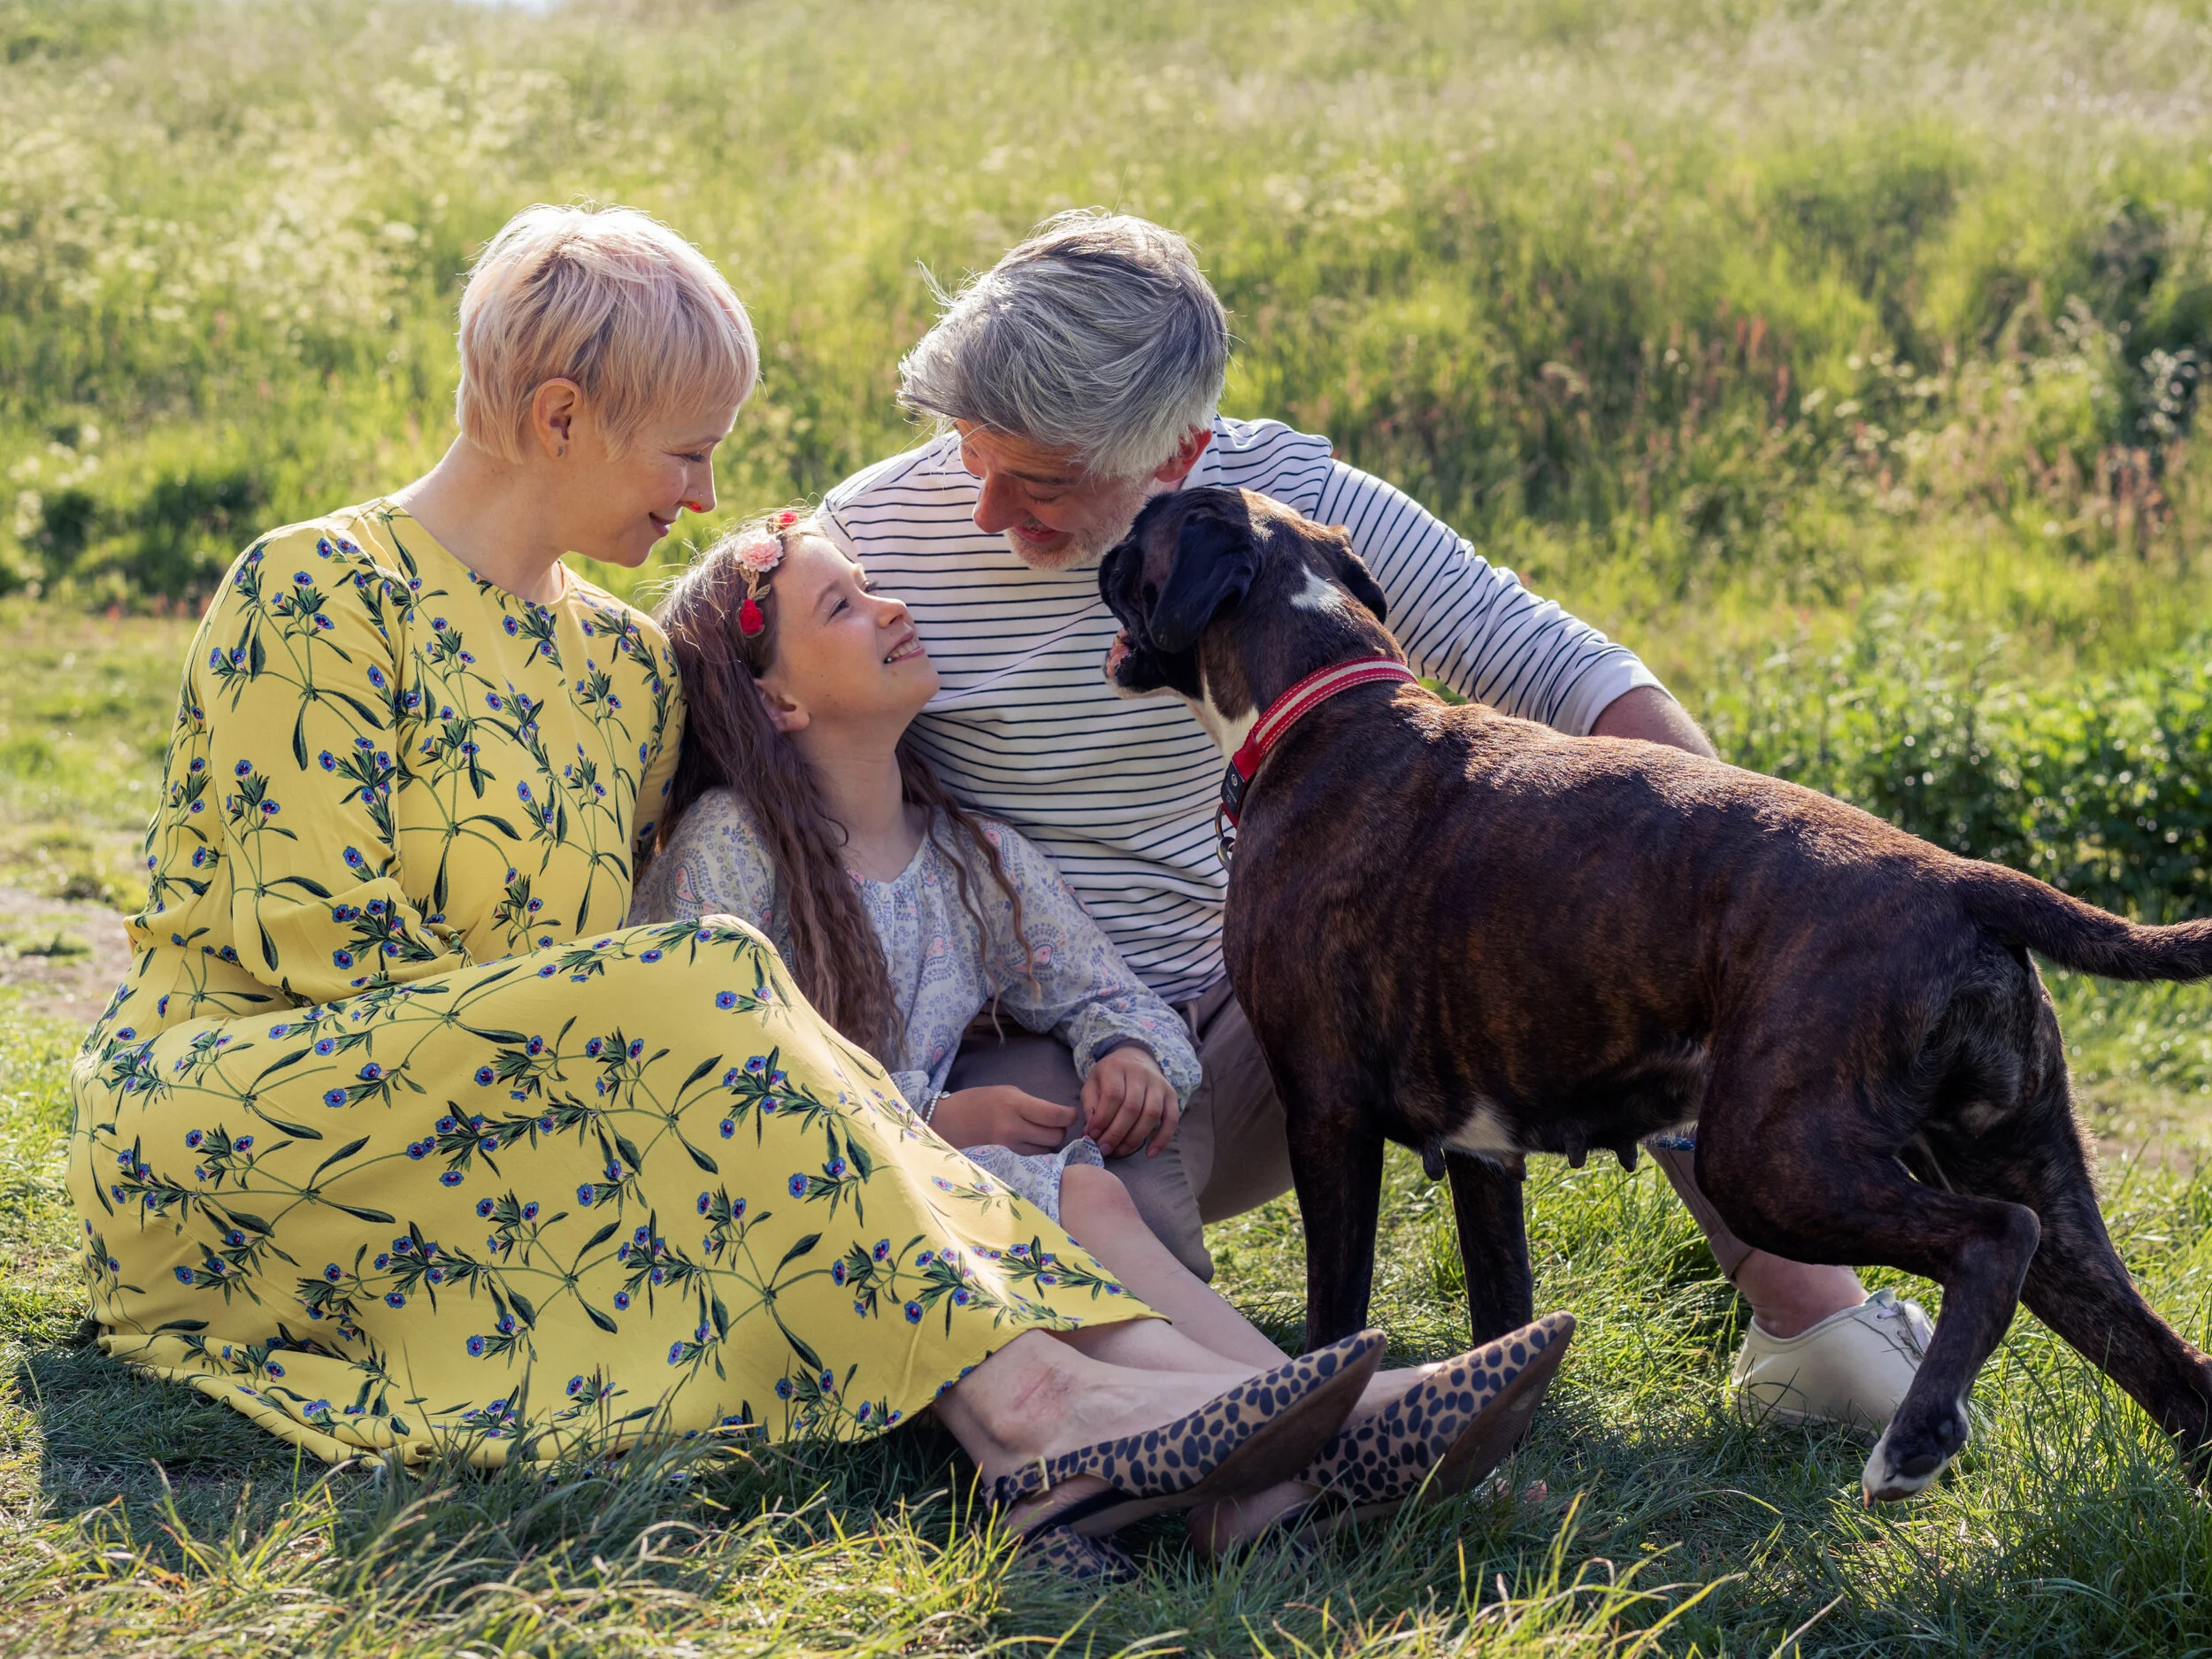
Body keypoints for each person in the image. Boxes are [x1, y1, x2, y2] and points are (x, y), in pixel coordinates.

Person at [61, 203, 1418, 1583]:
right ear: (560, 414)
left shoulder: (625, 670)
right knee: (708, 980)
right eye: (690, 451)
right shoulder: (315, 591)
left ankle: (1241, 1419)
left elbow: (795, 819)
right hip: (254, 1125)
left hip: (534, 1126)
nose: (708, 498)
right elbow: (325, 953)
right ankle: (1068, 1407)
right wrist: (633, 1069)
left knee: (760, 1029)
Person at [819, 210, 1933, 1432]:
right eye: (972, 458)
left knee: (1619, 937)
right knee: (1052, 1205)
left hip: (1286, 1016)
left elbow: (1580, 682)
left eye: (1042, 483)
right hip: (1064, 1047)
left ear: (1183, 449)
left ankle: (1813, 1314)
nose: (988, 511)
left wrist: (1734, 934)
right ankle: (1255, 1414)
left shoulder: (1291, 500)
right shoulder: (871, 539)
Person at [628, 511, 1579, 1554]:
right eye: (841, 605)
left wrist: (1127, 1052)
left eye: (869, 584)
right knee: (1034, 1185)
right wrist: (930, 1115)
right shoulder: (733, 851)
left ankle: (1275, 1460)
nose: (891, 605)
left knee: (1081, 1186)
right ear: (779, 700)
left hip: (918, 1204)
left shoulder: (965, 856)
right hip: (766, 1230)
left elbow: (1105, 991)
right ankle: (1354, 1420)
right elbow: (698, 1075)